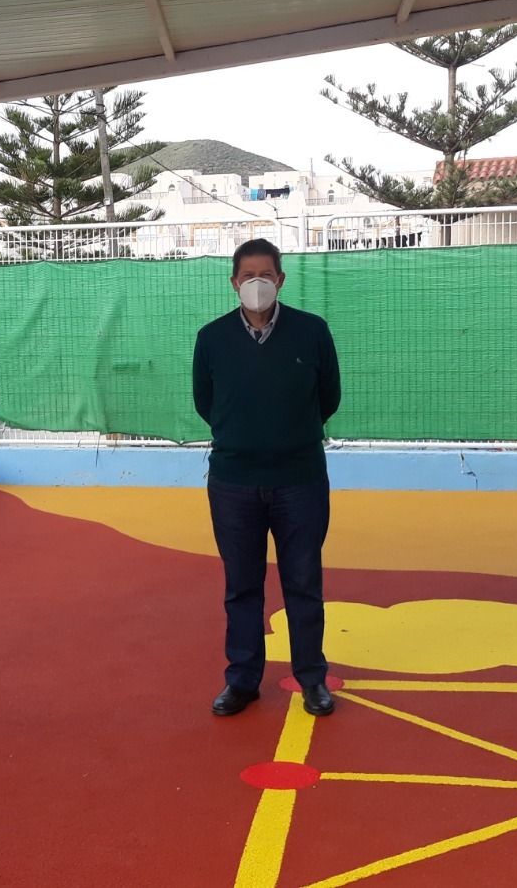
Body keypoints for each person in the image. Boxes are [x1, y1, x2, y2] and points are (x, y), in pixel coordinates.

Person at [193, 238, 341, 718]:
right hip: (234, 482)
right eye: (246, 276)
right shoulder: (211, 338)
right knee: (242, 585)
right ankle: (242, 680)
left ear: (279, 279)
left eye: (265, 275)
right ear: (234, 283)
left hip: (299, 481)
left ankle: (312, 679)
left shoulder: (312, 332)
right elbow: (205, 403)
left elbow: (329, 398)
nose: (256, 284)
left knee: (303, 581)